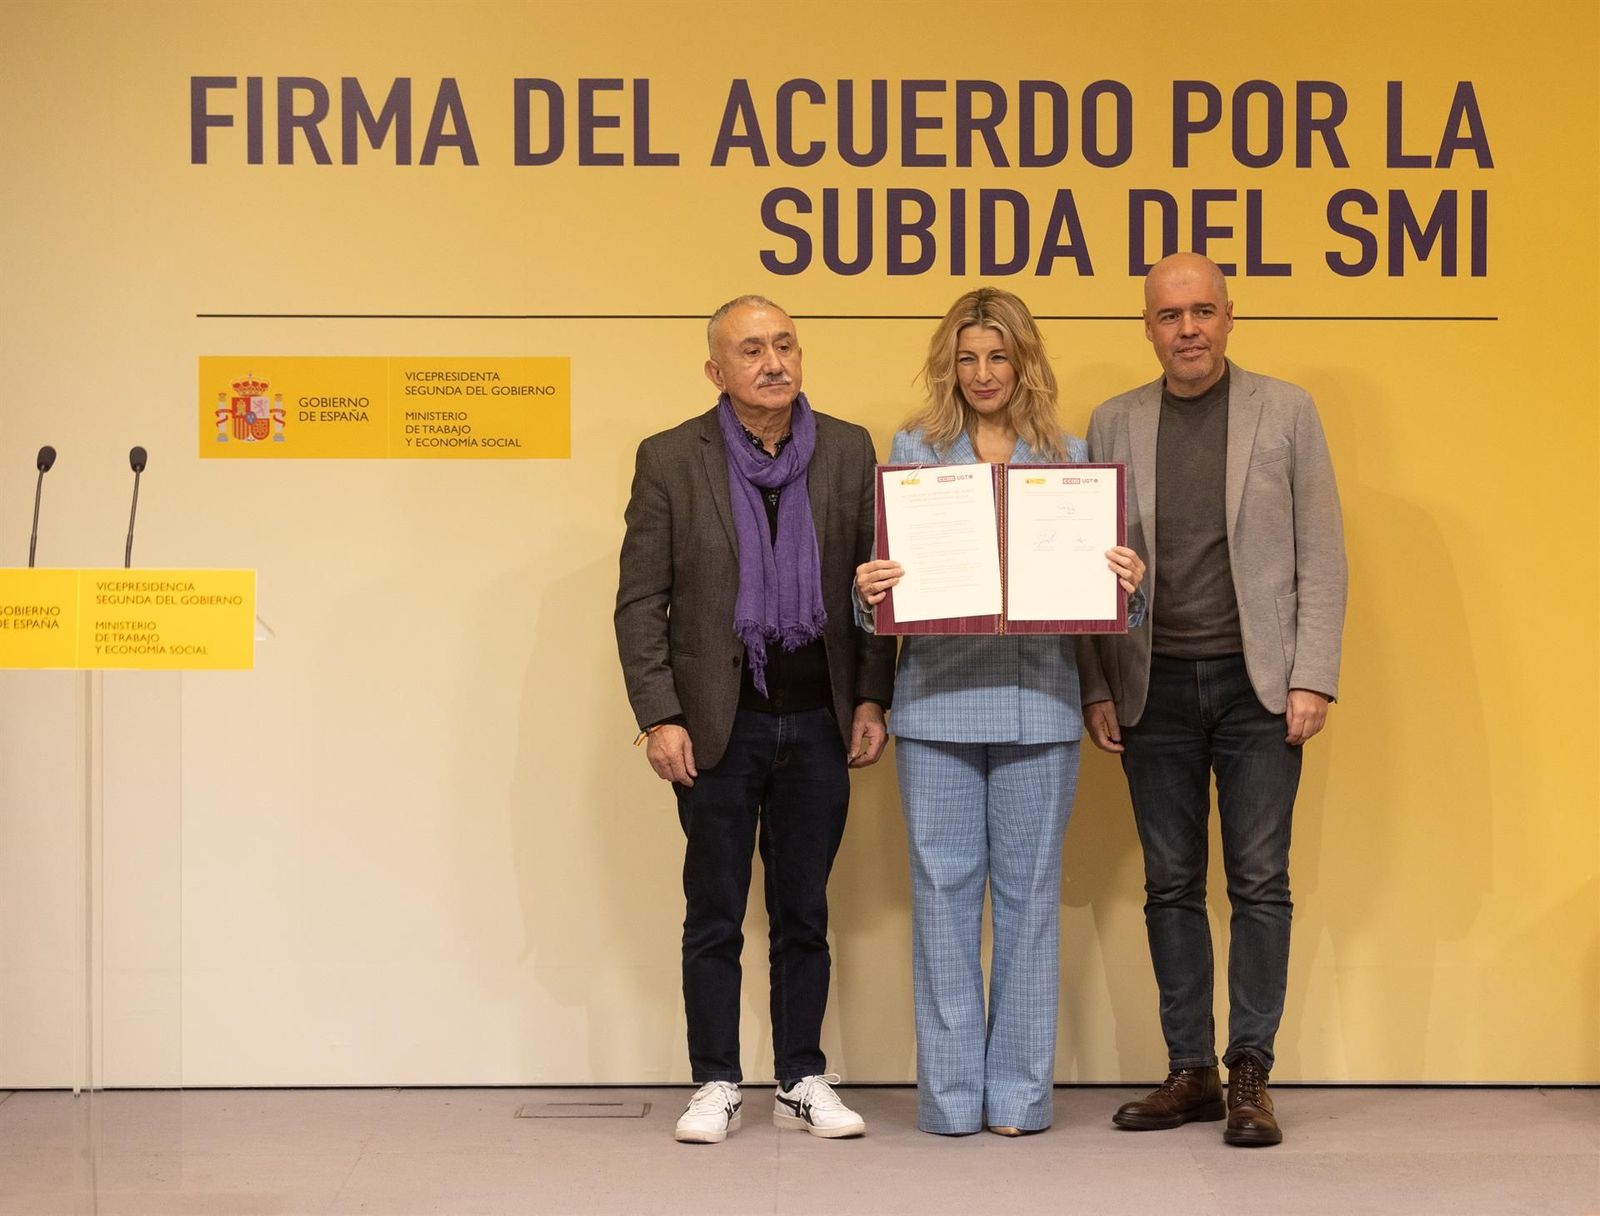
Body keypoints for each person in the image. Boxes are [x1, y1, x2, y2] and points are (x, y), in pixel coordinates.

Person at [854, 287, 1145, 1136]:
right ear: (949, 363)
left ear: (1025, 362)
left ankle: (1018, 1097)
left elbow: (1098, 612)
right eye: (968, 357)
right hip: (936, 707)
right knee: (942, 902)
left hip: (1044, 706)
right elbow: (885, 602)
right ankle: (948, 1101)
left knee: (1029, 903)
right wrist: (870, 594)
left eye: (999, 355)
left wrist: (1126, 592)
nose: (983, 373)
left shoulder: (1073, 454)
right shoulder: (913, 450)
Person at [1077, 252, 1347, 1147]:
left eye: (1202, 311)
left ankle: (1250, 1074)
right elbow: (1084, 572)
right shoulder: (1113, 421)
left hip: (1258, 688)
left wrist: (1311, 674)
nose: (1186, 328)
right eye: (1167, 315)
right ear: (1146, 327)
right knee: (1171, 885)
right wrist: (1097, 684)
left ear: (1230, 316)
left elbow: (1323, 554)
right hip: (1151, 686)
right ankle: (1188, 1070)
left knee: (1261, 882)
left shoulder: (1288, 410)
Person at [615, 295, 895, 1144]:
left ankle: (803, 1077)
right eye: (751, 351)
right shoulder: (670, 458)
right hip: (715, 727)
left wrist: (872, 696)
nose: (772, 363)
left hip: (817, 719)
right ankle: (715, 1081)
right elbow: (640, 604)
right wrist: (661, 715)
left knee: (805, 911)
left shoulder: (847, 450)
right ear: (716, 371)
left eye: (784, 346)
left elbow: (880, 588)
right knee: (715, 912)